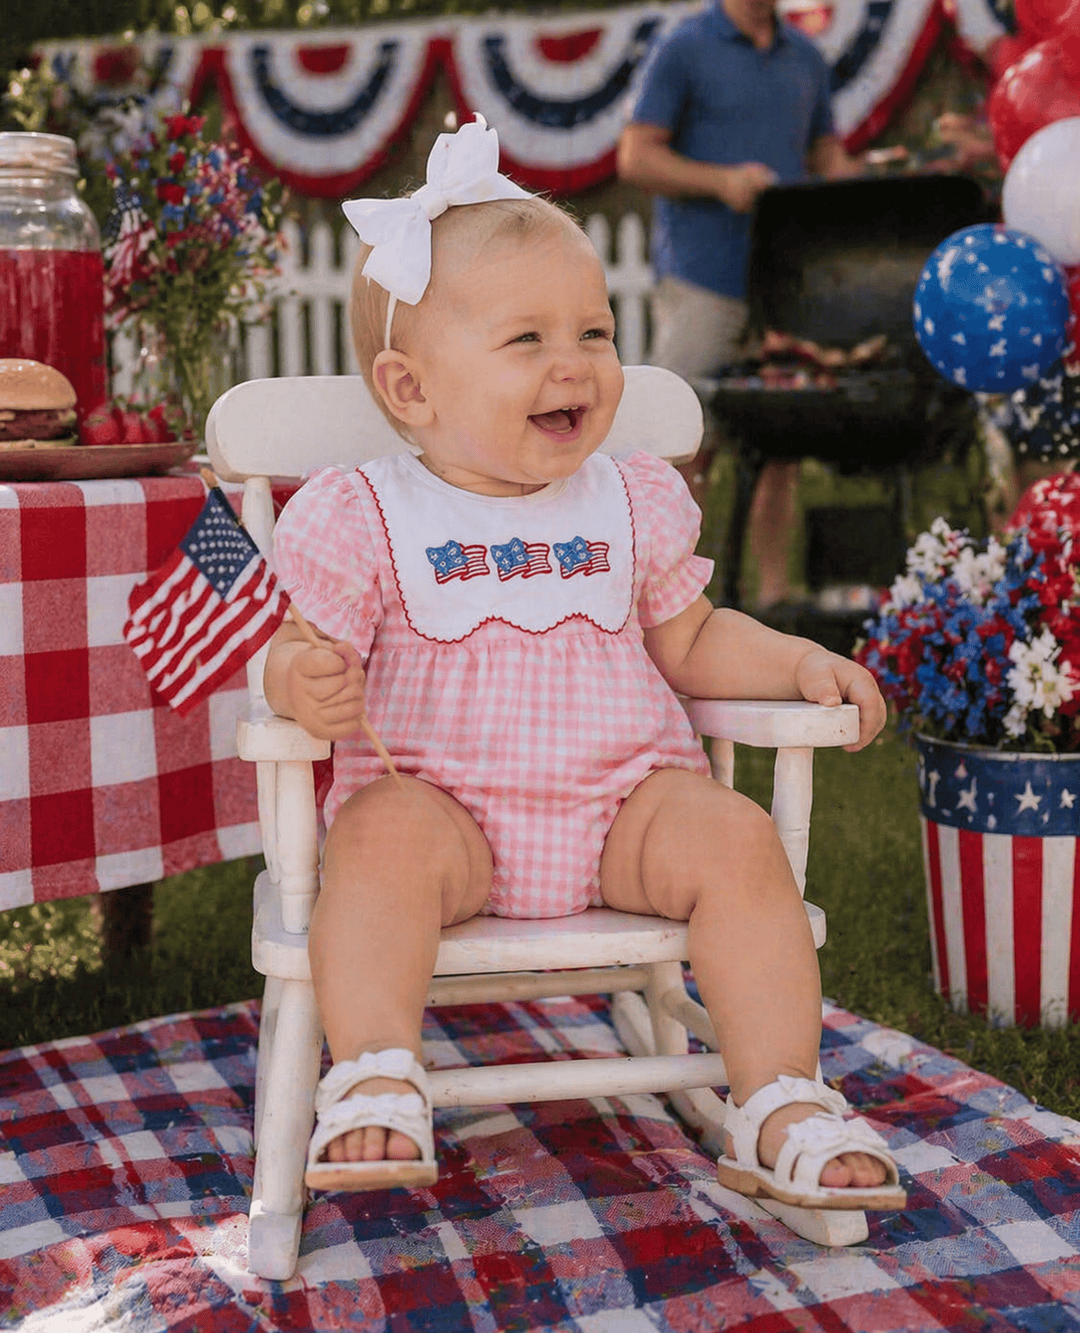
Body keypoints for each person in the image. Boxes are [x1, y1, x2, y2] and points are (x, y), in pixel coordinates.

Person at [263, 115, 905, 1213]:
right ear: (411, 391)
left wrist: (799, 660)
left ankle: (780, 1098)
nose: (576, 365)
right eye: (528, 342)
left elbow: (694, 639)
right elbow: (300, 652)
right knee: (373, 841)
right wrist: (299, 685)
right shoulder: (366, 512)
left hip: (624, 814)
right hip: (444, 818)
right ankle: (372, 1068)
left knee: (738, 837)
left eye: (597, 333)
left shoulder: (630, 495)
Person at [617, 0, 863, 612]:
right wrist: (721, 182)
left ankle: (776, 603)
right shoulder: (684, 47)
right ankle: (670, 602)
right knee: (684, 442)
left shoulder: (805, 55)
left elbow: (825, 152)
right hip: (704, 277)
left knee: (780, 442)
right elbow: (635, 156)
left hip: (785, 285)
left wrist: (858, 179)